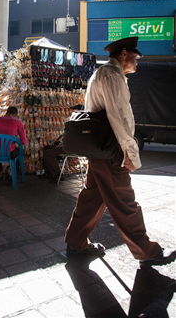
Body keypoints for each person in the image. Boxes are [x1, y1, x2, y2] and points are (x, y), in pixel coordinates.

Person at [65, 37, 176, 267]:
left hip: (100, 149)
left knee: (92, 197)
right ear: (123, 54)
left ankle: (76, 242)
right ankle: (147, 251)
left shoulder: (102, 73)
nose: (136, 62)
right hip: (111, 149)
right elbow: (120, 118)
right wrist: (131, 153)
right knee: (124, 200)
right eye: (135, 57)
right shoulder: (113, 75)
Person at [0, 106, 27, 182]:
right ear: (15, 114)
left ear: (6, 112)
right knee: (19, 151)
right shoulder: (18, 122)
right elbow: (24, 141)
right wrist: (14, 140)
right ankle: (10, 174)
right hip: (9, 153)